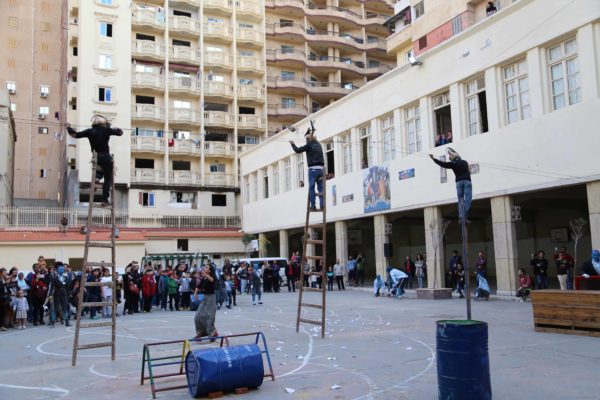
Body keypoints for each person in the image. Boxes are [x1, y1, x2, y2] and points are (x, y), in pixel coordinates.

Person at [66, 116, 123, 205]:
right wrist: (114, 128)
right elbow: (120, 133)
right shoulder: (106, 130)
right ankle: (104, 199)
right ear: (103, 123)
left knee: (99, 168)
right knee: (108, 179)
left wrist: (69, 127)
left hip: (96, 157)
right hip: (106, 157)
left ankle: (97, 178)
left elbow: (75, 135)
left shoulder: (89, 131)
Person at [289, 122, 325, 211]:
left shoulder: (309, 144)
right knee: (320, 187)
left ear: (308, 138)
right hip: (321, 170)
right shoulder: (318, 144)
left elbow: (298, 150)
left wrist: (292, 144)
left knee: (311, 187)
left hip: (313, 170)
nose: (305, 141)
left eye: (306, 139)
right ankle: (322, 205)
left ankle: (313, 205)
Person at [429, 148, 472, 221]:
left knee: (460, 199)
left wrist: (433, 159)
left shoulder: (453, 164)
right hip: (467, 181)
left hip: (459, 182)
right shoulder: (464, 162)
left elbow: (443, 164)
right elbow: (469, 170)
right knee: (468, 198)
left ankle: (461, 215)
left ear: (453, 159)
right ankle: (465, 212)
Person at [193, 263, 218, 339]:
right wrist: (195, 293)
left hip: (211, 298)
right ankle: (200, 332)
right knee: (197, 316)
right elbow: (198, 286)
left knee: (209, 317)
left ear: (210, 270)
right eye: (204, 267)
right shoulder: (203, 277)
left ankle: (213, 333)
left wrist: (204, 274)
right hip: (205, 298)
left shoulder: (212, 277)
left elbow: (212, 280)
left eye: (206, 267)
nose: (204, 268)